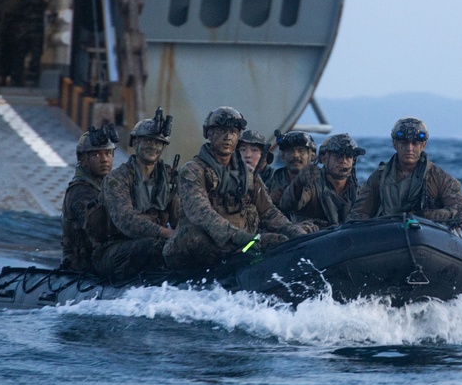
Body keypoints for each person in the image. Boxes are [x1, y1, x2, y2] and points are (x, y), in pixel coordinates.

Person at [163, 107, 307, 270]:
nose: (227, 137)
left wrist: (296, 233)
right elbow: (200, 213)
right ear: (208, 133)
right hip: (200, 247)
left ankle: (248, 266)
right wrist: (239, 236)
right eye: (221, 131)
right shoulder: (193, 171)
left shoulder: (248, 174)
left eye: (233, 132)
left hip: (238, 247)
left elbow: (268, 212)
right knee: (191, 236)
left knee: (279, 241)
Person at [92, 109, 180, 281]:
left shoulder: (169, 178)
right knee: (154, 247)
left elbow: (179, 215)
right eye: (147, 140)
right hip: (112, 249)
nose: (153, 146)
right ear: (135, 142)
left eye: (158, 143)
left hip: (155, 243)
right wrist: (165, 232)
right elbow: (125, 220)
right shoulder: (117, 178)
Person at [347, 117, 462, 228]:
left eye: (415, 144)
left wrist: (421, 216)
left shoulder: (439, 177)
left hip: (430, 235)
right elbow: (359, 213)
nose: (409, 148)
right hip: (388, 236)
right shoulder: (379, 177)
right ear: (395, 144)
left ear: (423, 145)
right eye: (404, 143)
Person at [61, 125, 117, 272]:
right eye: (96, 155)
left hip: (103, 257)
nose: (104, 160)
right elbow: (99, 229)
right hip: (83, 265)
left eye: (108, 153)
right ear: (83, 159)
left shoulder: (109, 185)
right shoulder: (80, 191)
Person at [279, 133, 365, 229]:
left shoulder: (358, 192)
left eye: (349, 156)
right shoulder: (312, 185)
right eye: (338, 156)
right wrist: (298, 184)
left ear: (354, 161)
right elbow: (288, 204)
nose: (343, 161)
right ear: (324, 159)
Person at [13, 0, 52, 87]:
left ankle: (32, 80)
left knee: (35, 56)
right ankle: (17, 79)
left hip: (37, 28)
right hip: (24, 26)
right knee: (19, 55)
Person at [266, 129, 316, 204]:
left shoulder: (323, 182)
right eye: (290, 151)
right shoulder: (270, 183)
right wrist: (268, 201)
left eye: (301, 150)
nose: (295, 155)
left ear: (312, 156)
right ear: (283, 156)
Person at [0, 0, 23, 86]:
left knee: (17, 53)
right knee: (4, 51)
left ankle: (15, 77)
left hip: (18, 24)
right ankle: (2, 76)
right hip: (5, 23)